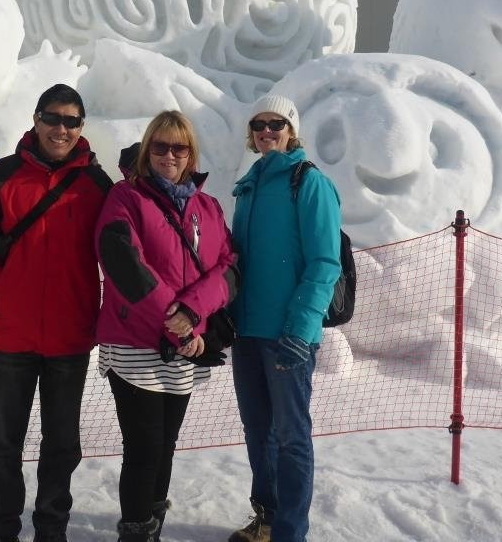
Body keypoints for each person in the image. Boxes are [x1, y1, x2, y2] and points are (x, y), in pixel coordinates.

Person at [0, 83, 113, 542]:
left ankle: (52, 528)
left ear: (81, 127)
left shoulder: (97, 186)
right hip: (13, 333)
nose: (60, 129)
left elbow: (123, 248)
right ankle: (2, 528)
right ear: (36, 119)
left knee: (62, 443)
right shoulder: (1, 177)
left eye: (71, 121)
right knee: (7, 442)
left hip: (70, 335)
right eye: (52, 118)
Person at [96, 111, 239, 542]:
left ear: (191, 154)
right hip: (137, 344)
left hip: (185, 345)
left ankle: (152, 525)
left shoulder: (208, 207)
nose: (169, 155)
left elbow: (229, 267)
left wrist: (193, 313)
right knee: (144, 448)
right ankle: (136, 531)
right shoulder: (125, 197)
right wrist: (178, 324)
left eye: (179, 147)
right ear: (146, 150)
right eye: (159, 146)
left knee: (165, 446)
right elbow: (124, 263)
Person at [226, 94, 342, 542]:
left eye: (276, 124)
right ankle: (268, 519)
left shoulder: (307, 182)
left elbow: (324, 262)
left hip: (288, 334)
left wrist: (301, 327)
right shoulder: (248, 186)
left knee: (292, 436)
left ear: (292, 130)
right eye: (259, 124)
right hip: (247, 331)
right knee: (258, 432)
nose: (267, 131)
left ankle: (290, 533)